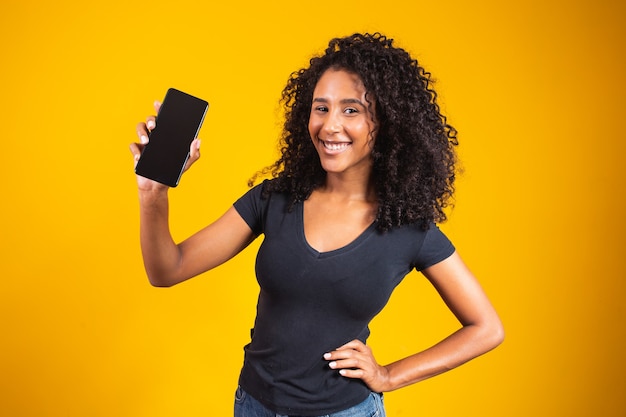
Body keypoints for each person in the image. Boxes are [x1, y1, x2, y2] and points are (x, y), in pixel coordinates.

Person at [130, 32, 504, 417]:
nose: (329, 126)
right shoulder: (274, 198)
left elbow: (486, 328)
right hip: (254, 406)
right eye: (321, 108)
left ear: (387, 122)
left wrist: (389, 375)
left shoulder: (409, 229)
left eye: (351, 110)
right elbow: (167, 269)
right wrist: (152, 194)